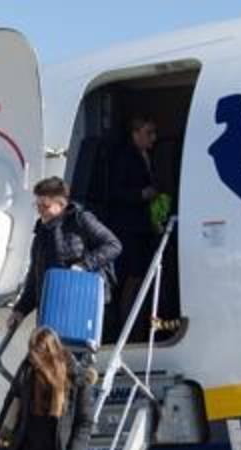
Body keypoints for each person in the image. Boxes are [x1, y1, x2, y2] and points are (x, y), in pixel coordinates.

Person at [6, 177, 121, 331]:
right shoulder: (41, 232)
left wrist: (85, 264)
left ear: (61, 204)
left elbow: (113, 245)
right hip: (51, 312)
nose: (40, 210)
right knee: (42, 354)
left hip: (80, 307)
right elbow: (35, 277)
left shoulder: (81, 220)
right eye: (37, 205)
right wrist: (20, 310)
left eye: (45, 206)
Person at [106, 116, 162, 336]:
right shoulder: (124, 157)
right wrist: (141, 194)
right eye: (149, 133)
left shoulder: (147, 155)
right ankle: (124, 325)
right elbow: (115, 191)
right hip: (128, 227)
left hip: (142, 226)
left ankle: (134, 322)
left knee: (139, 275)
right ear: (135, 133)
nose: (153, 138)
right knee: (131, 275)